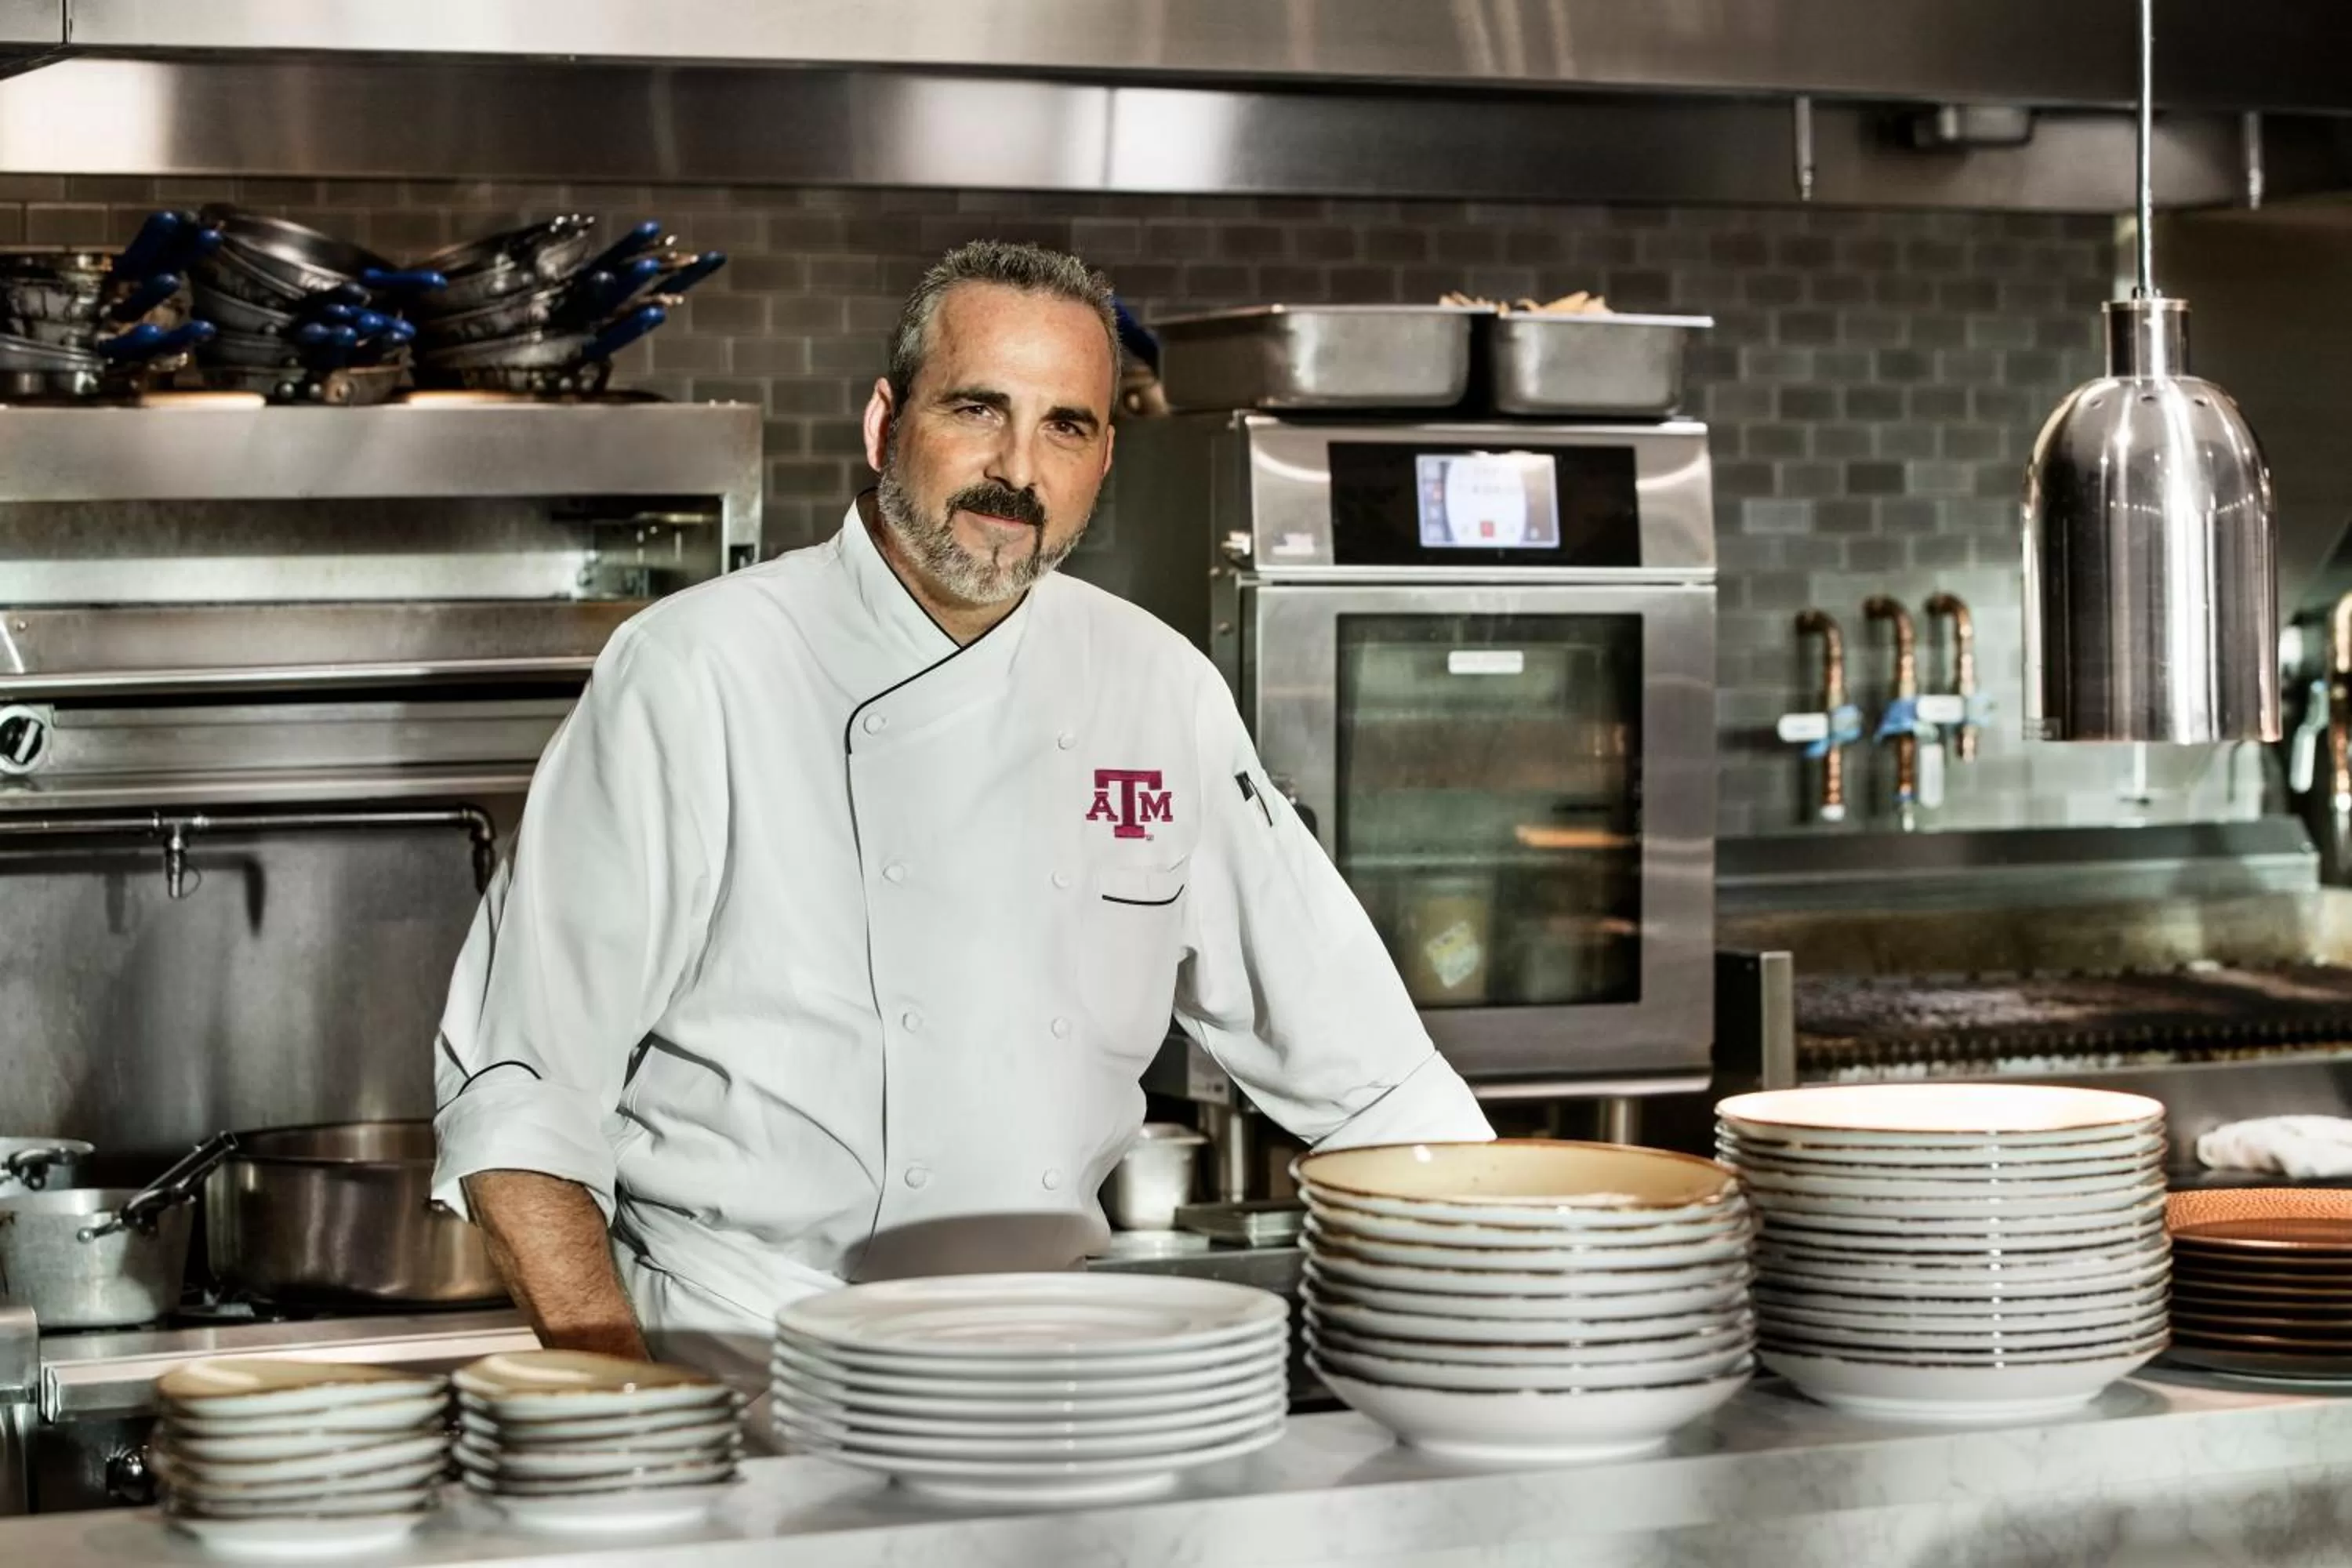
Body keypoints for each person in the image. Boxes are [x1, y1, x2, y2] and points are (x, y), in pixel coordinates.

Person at [430, 240, 1494, 1389]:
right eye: (978, 409)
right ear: (886, 425)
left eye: (1065, 427)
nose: (1017, 470)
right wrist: (625, 1402)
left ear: (1103, 459)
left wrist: (1529, 1304)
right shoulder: (696, 671)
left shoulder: (1155, 685)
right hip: (747, 1361)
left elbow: (1373, 1079)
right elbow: (525, 1099)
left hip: (1042, 1375)